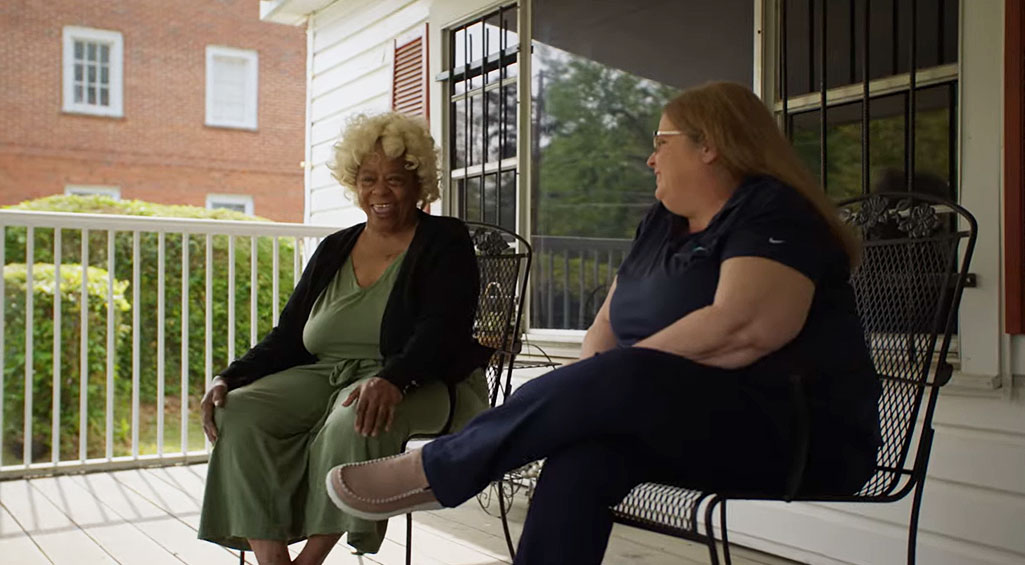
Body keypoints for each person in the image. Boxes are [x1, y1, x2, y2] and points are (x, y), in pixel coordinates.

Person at [324, 82, 883, 564]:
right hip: (681, 419)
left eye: (661, 143)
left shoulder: (774, 210)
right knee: (582, 460)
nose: (650, 159)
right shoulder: (664, 222)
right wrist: (593, 397)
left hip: (794, 436)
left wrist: (615, 379)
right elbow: (604, 333)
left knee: (628, 374)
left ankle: (439, 468)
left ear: (710, 145)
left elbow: (744, 329)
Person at [197, 112, 493, 565]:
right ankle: (273, 559)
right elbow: (289, 337)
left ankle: (310, 561)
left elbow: (442, 329)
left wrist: (393, 378)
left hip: (421, 379)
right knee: (238, 411)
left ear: (419, 184)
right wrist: (228, 376)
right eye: (368, 178)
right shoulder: (335, 247)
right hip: (322, 374)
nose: (380, 191)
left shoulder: (444, 240)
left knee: (355, 416)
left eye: (395, 179)